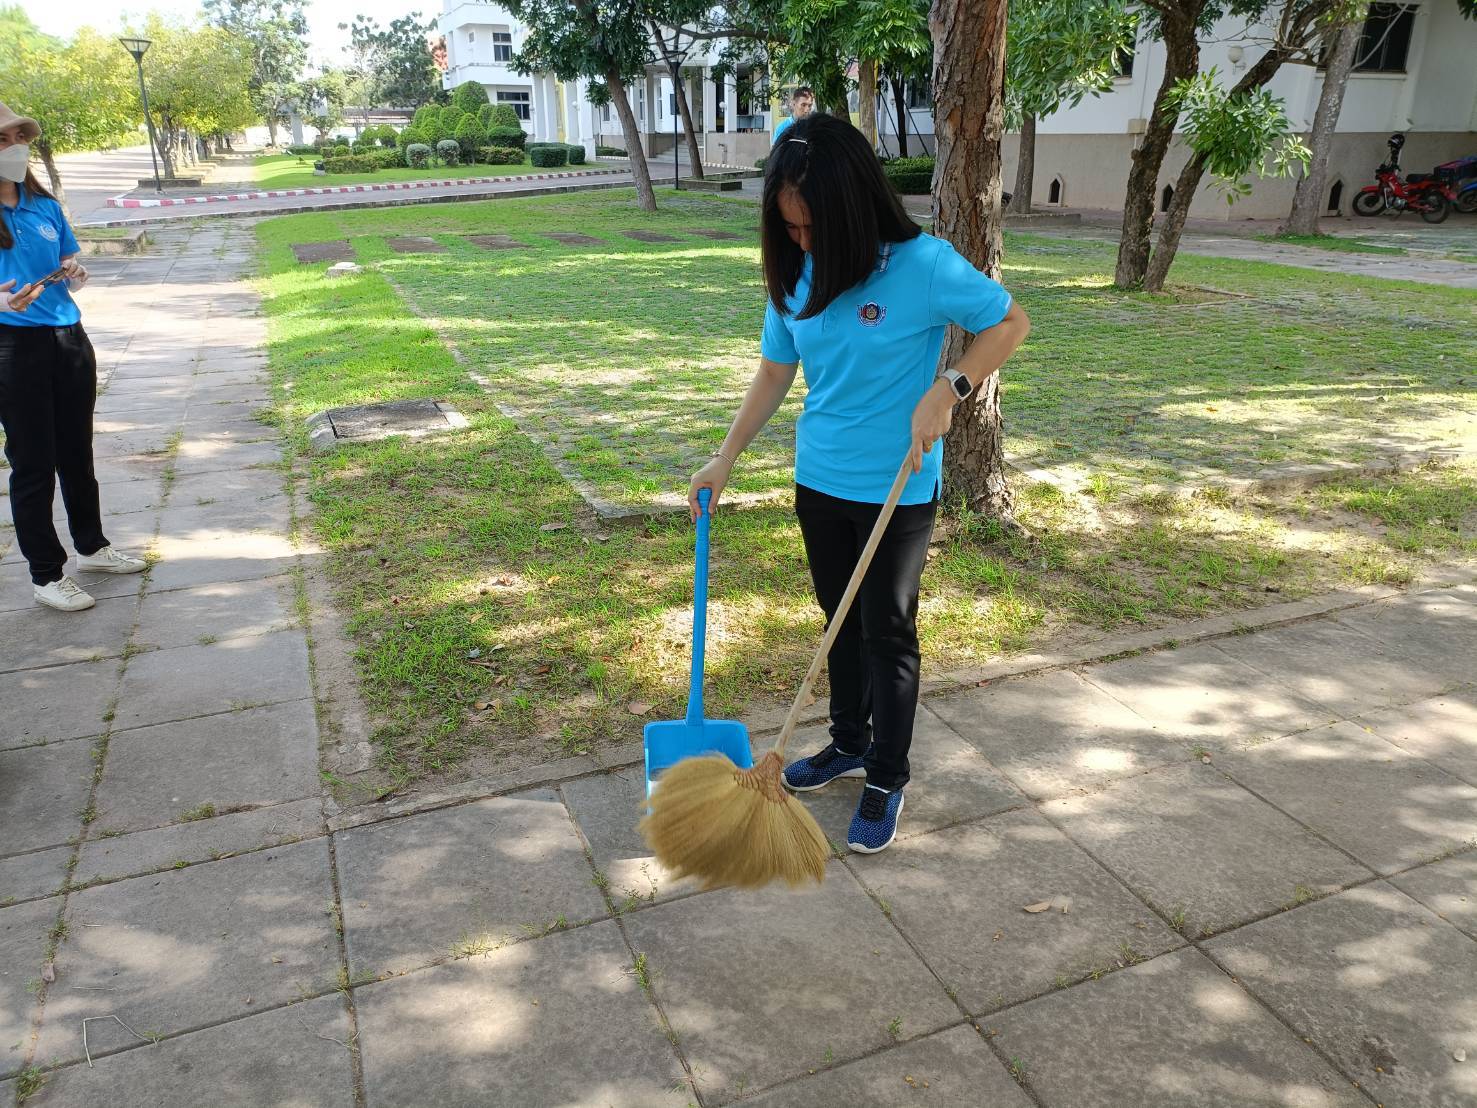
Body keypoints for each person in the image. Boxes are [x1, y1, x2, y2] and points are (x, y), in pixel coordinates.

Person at [689, 114, 1030, 854]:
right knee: (836, 620)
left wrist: (950, 386)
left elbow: (1008, 323)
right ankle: (847, 743)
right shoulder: (795, 271)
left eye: (811, 226)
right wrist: (726, 456)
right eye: (789, 229)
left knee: (887, 632)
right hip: (821, 476)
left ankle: (885, 774)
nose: (801, 242)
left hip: (896, 486)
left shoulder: (923, 265)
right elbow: (776, 370)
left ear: (852, 206)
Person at [0, 103, 145, 612]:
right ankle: (46, 574)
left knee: (77, 455)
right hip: (14, 347)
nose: (15, 145)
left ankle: (93, 547)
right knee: (33, 462)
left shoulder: (43, 205)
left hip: (68, 337)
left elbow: (65, 257)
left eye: (20, 135)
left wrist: (73, 271)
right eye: (3, 139)